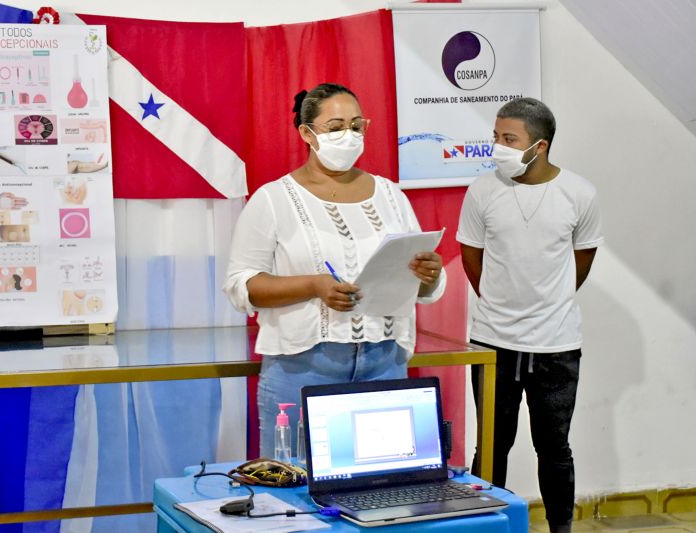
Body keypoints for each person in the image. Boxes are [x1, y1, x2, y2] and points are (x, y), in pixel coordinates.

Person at [223, 82, 447, 459]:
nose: (350, 135)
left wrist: (429, 274)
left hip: (384, 360)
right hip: (303, 366)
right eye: (336, 127)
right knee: (292, 494)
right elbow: (241, 285)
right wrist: (314, 286)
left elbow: (416, 280)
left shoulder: (391, 195)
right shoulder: (274, 199)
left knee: (382, 481)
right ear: (307, 134)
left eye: (357, 126)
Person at [456, 98, 602, 533]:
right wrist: (504, 304)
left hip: (556, 346)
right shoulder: (482, 190)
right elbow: (471, 257)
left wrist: (545, 302)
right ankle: (483, 525)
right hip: (492, 343)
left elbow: (582, 259)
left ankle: (561, 528)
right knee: (491, 446)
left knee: (554, 447)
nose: (497, 146)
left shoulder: (579, 193)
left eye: (508, 139)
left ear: (538, 146)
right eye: (495, 137)